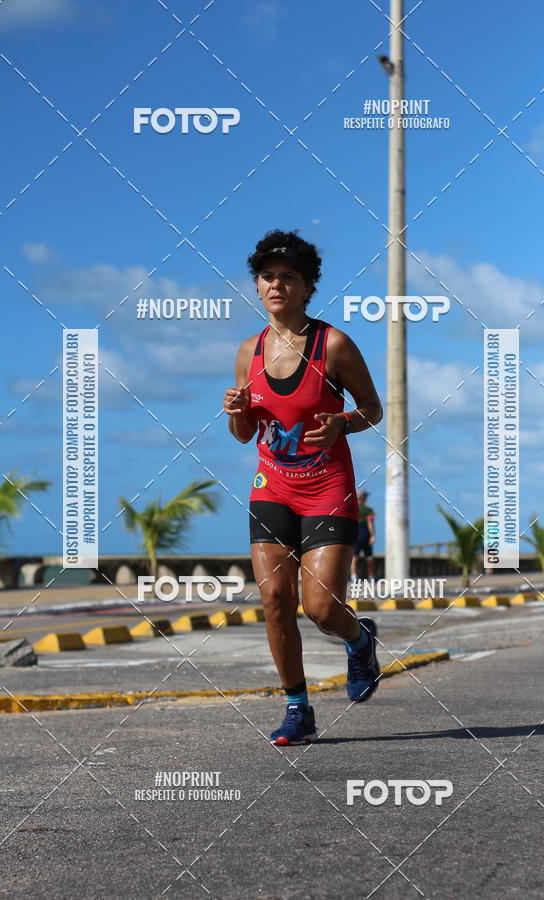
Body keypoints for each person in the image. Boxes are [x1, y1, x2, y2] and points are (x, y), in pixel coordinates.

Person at [223, 229, 383, 746]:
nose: (276, 285)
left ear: (308, 286)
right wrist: (238, 415)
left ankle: (359, 640)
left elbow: (373, 410)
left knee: (319, 607)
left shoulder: (332, 344)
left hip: (327, 488)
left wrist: (344, 424)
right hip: (272, 486)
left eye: (287, 277)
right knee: (273, 599)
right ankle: (298, 708)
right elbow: (245, 435)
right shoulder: (249, 351)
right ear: (257, 285)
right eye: (267, 276)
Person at [350, 489, 376, 583]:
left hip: (354, 534)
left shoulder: (351, 508)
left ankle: (353, 577)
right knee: (369, 557)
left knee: (354, 557)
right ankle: (371, 577)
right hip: (365, 535)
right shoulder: (368, 509)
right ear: (363, 497)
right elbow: (370, 523)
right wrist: (373, 536)